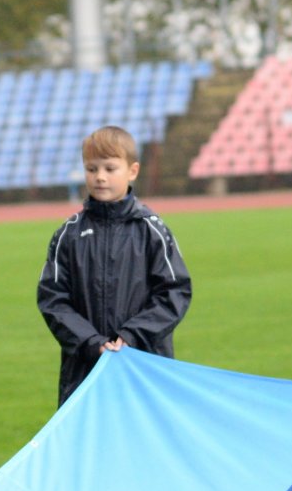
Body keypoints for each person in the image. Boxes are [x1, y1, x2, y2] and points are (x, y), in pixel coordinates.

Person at [37, 126, 191, 406]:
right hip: (85, 371)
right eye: (91, 169)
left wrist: (132, 335)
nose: (100, 177)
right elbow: (52, 299)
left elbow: (174, 292)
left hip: (144, 366)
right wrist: (90, 341)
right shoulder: (68, 234)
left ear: (132, 171)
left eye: (110, 168)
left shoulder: (151, 230)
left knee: (144, 432)